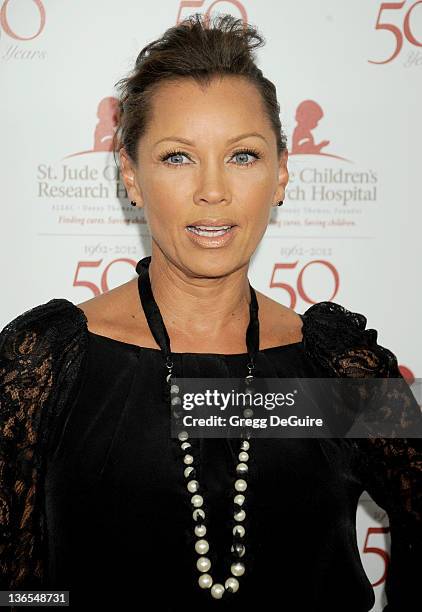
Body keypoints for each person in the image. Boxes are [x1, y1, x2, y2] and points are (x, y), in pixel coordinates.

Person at [0, 13, 420, 612]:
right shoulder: (46, 362)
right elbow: (16, 592)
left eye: (243, 156)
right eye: (177, 157)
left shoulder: (339, 367)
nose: (213, 190)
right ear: (131, 176)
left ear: (280, 174)